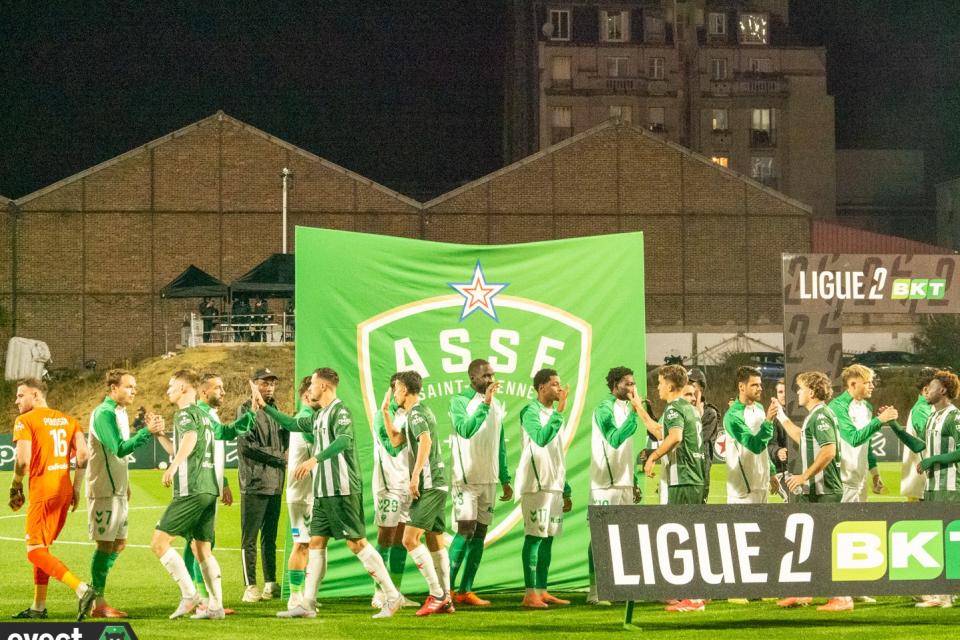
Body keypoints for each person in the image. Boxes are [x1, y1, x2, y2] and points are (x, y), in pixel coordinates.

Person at [262, 368, 404, 619]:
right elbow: (292, 423)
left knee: (357, 543)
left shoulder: (341, 411)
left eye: (313, 384)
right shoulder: (318, 415)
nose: (309, 389)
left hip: (342, 489)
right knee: (316, 543)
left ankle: (392, 596)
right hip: (322, 493)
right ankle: (307, 604)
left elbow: (344, 440)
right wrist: (265, 408)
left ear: (324, 386)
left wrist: (314, 459)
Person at [150, 369, 242, 620]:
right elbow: (182, 447)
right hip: (208, 489)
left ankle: (190, 595)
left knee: (159, 543)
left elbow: (189, 439)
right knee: (202, 549)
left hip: (191, 488)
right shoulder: (204, 415)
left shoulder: (184, 414)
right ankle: (216, 607)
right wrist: (160, 435)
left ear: (183, 388)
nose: (168, 390)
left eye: (171, 386)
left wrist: (173, 467)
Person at [9, 378, 98, 621]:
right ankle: (38, 607)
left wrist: (15, 485)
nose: (16, 401)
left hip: (43, 492)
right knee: (42, 549)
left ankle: (82, 589)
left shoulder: (25, 420)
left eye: (21, 395)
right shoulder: (69, 420)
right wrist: (76, 489)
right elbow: (83, 455)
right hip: (63, 491)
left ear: (36, 395)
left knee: (34, 552)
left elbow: (22, 461)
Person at [86, 369, 164, 618]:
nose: (134, 391)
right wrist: (146, 432)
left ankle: (93, 591)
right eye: (129, 386)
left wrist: (126, 483)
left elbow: (118, 458)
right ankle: (97, 601)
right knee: (105, 544)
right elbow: (119, 449)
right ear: (113, 388)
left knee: (119, 544)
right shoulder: (104, 413)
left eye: (134, 387)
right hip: (103, 490)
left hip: (118, 489)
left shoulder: (120, 412)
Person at [886, 369, 960, 608]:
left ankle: (946, 596)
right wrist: (895, 427)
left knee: (951, 540)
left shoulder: (954, 417)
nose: (927, 391)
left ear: (943, 390)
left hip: (951, 487)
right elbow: (920, 445)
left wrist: (933, 460)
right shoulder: (931, 416)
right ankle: (943, 594)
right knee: (939, 540)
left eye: (933, 387)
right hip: (932, 487)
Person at [382, 370, 454, 616]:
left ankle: (437, 594)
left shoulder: (416, 414)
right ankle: (447, 597)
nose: (394, 394)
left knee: (409, 539)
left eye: (395, 389)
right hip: (437, 483)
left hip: (430, 484)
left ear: (403, 389)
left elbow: (426, 442)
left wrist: (415, 476)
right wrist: (385, 412)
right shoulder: (419, 412)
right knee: (435, 539)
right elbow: (395, 441)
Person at [183, 373, 255, 616]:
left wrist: (222, 482)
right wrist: (252, 413)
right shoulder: (200, 415)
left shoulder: (209, 414)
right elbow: (224, 433)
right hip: (199, 488)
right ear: (204, 392)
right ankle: (202, 599)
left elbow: (213, 450)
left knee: (197, 543)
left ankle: (196, 596)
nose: (223, 392)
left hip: (209, 486)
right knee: (201, 544)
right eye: (218, 387)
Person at [774, 371, 843, 610]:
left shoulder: (821, 415)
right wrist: (781, 415)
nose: (798, 392)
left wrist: (804, 476)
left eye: (801, 388)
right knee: (809, 543)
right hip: (814, 491)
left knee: (825, 544)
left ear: (812, 392)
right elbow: (801, 437)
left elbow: (829, 450)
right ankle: (805, 592)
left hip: (825, 490)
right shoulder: (815, 415)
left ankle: (842, 597)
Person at [447, 359, 512, 607]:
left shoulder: (497, 404)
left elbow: (500, 443)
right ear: (472, 378)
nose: (490, 380)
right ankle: (444, 591)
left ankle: (465, 591)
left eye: (492, 375)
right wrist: (485, 404)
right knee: (465, 530)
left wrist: (505, 478)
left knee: (480, 534)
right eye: (486, 376)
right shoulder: (459, 402)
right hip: (466, 479)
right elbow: (465, 430)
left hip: (489, 479)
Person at [640, 365, 705, 612]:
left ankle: (693, 597)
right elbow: (661, 431)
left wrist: (653, 456)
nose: (657, 387)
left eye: (659, 383)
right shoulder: (690, 408)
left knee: (682, 538)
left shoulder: (674, 408)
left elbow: (674, 437)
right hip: (694, 478)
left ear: (669, 385)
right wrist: (639, 408)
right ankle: (687, 592)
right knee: (688, 535)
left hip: (683, 479)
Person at [586, 367, 645, 606]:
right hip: (605, 483)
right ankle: (595, 591)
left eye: (633, 383)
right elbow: (614, 439)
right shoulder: (604, 408)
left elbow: (626, 450)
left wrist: (633, 481)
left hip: (624, 483)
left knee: (625, 536)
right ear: (615, 385)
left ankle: (621, 588)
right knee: (599, 537)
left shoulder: (627, 408)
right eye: (627, 384)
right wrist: (635, 414)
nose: (632, 388)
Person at [514, 368, 572, 610]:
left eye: (559, 384)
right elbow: (540, 438)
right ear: (542, 388)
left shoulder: (553, 414)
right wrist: (560, 412)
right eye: (555, 384)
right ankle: (529, 594)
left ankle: (542, 590)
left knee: (548, 538)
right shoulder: (530, 411)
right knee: (534, 537)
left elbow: (556, 453)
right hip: (536, 483)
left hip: (554, 484)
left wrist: (565, 488)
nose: (559, 388)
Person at [237, 368, 289, 602]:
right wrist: (280, 458)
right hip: (255, 483)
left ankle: (270, 583)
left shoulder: (275, 410)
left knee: (270, 537)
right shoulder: (245, 410)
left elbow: (285, 442)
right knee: (249, 538)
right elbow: (247, 446)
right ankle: (250, 586)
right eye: (264, 383)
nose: (269, 387)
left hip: (276, 483)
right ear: (254, 385)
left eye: (272, 383)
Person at [370, 374, 416, 610]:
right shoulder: (382, 415)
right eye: (398, 388)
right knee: (386, 539)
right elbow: (392, 447)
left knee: (401, 540)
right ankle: (380, 592)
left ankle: (396, 592)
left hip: (408, 484)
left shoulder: (412, 414)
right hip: (388, 484)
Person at [277, 375, 320, 615]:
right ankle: (295, 597)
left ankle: (305, 594)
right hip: (302, 494)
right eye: (314, 392)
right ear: (306, 396)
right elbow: (321, 449)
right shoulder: (305, 419)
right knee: (302, 543)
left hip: (308, 492)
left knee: (312, 544)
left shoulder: (308, 417)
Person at [723, 366, 777, 504]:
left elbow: (763, 447)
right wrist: (769, 421)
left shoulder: (759, 408)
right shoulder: (733, 416)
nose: (760, 388)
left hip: (762, 485)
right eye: (754, 385)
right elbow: (755, 445)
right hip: (743, 491)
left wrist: (771, 472)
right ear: (741, 387)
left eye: (760, 384)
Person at [900, 368, 936, 502]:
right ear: (926, 390)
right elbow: (933, 442)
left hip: (924, 484)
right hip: (922, 486)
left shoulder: (929, 408)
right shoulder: (922, 410)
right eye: (939, 387)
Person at [686, 368, 720, 503]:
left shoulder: (710, 413)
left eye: (692, 384)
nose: (688, 387)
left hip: (700, 471)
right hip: (682, 471)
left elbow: (696, 439)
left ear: (701, 387)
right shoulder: (680, 409)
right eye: (686, 383)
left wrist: (697, 415)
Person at [767, 379, 791, 502]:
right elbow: (769, 444)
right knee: (791, 501)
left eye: (786, 391)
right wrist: (777, 452)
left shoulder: (802, 413)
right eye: (780, 392)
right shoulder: (773, 417)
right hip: (783, 471)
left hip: (801, 470)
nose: (783, 395)